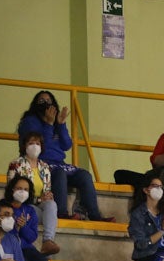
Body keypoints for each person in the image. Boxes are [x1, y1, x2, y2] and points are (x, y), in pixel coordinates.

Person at [16, 90, 110, 221]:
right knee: (59, 173)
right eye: (42, 101)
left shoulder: (56, 122)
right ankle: (61, 213)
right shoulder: (30, 121)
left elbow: (66, 145)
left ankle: (94, 215)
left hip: (59, 162)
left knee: (85, 175)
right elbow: (41, 147)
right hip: (40, 163)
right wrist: (48, 125)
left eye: (49, 101)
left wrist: (61, 124)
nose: (46, 103)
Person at [7, 131, 60, 257]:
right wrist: (39, 199)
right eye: (31, 143)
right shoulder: (16, 165)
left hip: (38, 206)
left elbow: (46, 191)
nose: (34, 146)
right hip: (22, 205)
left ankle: (47, 241)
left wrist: (46, 197)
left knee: (51, 205)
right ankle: (46, 251)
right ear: (24, 146)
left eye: (37, 143)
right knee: (49, 216)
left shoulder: (45, 167)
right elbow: (13, 192)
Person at [4, 175, 51, 261]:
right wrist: (16, 227)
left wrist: (23, 227)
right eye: (19, 188)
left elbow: (32, 237)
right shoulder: (4, 207)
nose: (22, 192)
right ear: (12, 189)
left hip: (27, 247)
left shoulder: (30, 210)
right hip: (10, 247)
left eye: (26, 189)